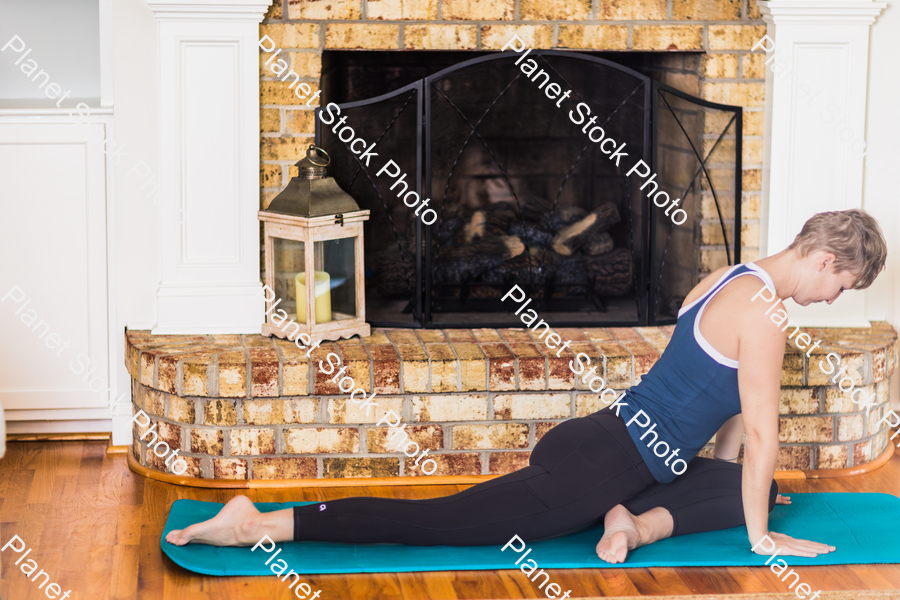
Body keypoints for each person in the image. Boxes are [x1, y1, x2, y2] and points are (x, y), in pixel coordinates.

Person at [166, 209, 887, 564]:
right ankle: (260, 522)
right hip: (602, 462)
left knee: (751, 482)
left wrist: (743, 490)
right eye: (843, 286)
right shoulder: (765, 317)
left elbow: (730, 419)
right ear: (826, 261)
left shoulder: (731, 277)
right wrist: (760, 539)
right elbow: (762, 431)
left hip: (608, 440)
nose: (834, 300)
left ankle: (628, 520)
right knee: (446, 526)